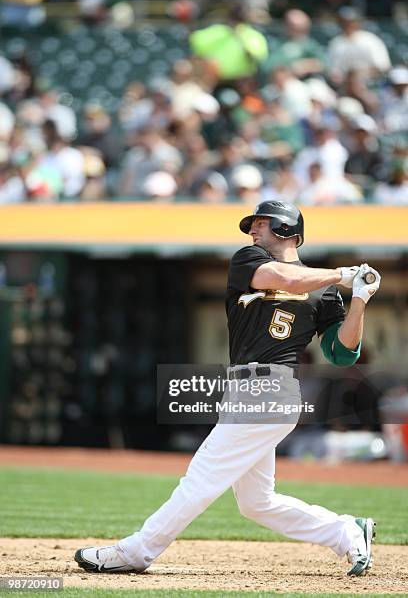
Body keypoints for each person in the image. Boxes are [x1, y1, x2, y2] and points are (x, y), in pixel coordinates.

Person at [74, 201, 379, 577]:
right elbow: (283, 279)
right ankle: (346, 531)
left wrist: (360, 299)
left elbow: (342, 353)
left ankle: (137, 551)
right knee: (257, 503)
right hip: (243, 389)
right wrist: (340, 274)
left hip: (272, 391)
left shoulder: (325, 290)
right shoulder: (249, 260)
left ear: (287, 230)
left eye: (262, 224)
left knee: (200, 478)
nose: (252, 230)